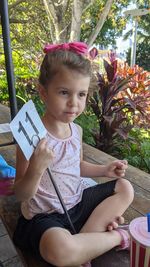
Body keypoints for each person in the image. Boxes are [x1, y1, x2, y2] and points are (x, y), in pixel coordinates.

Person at [13, 42, 134, 267]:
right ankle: (117, 237)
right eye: (64, 92)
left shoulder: (75, 130)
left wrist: (104, 170)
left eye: (81, 94)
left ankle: (82, 247)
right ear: (43, 92)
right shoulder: (31, 136)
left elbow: (75, 166)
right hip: (45, 216)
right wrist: (36, 169)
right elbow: (20, 193)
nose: (73, 104)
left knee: (125, 187)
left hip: (77, 203)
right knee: (60, 249)